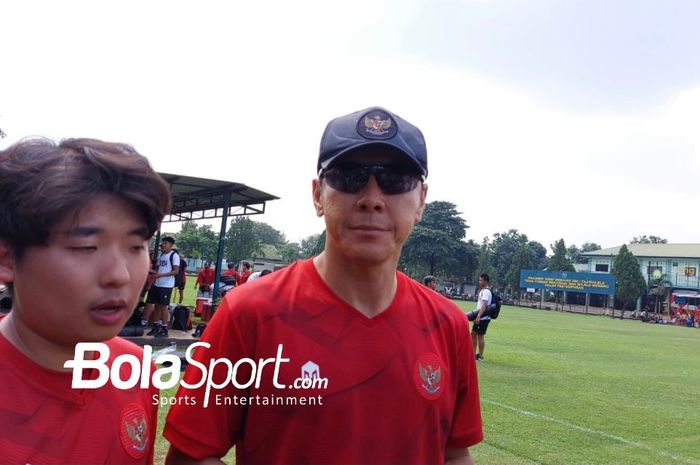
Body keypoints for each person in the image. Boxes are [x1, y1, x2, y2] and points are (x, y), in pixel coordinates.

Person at [164, 107, 483, 465]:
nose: (372, 199)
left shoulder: (448, 325)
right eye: (350, 177)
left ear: (421, 200)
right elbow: (189, 455)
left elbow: (455, 454)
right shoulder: (249, 312)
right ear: (318, 195)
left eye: (395, 180)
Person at [0, 137, 171, 464]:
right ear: (7, 258)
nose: (119, 274)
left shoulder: (135, 370)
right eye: (86, 248)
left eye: (136, 247)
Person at [142, 236, 180, 337]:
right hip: (158, 284)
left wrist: (160, 275)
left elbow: (176, 271)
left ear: (171, 245)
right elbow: (158, 270)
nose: (163, 245)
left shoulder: (174, 256)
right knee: (157, 306)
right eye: (162, 243)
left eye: (165, 243)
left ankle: (164, 328)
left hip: (166, 285)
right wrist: (152, 275)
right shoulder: (161, 255)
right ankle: (156, 326)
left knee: (163, 307)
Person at [471, 273, 493, 362]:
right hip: (480, 317)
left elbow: (484, 305)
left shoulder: (486, 292)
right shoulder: (483, 291)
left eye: (481, 280)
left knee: (480, 336)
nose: (479, 282)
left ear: (485, 281)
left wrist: (479, 316)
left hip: (483, 318)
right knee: (473, 334)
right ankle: (473, 354)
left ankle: (480, 356)